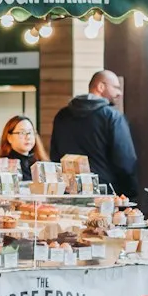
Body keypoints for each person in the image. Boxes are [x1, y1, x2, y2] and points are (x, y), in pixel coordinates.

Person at [50, 70, 139, 200]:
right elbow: (125, 160)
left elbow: (55, 155)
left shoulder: (62, 115)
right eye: (116, 88)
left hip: (69, 193)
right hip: (105, 195)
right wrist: (129, 192)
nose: (119, 93)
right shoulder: (112, 116)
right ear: (101, 87)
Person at [0, 114, 48, 181]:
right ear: (9, 137)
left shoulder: (39, 162)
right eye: (22, 133)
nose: (28, 137)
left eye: (30, 132)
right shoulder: (3, 166)